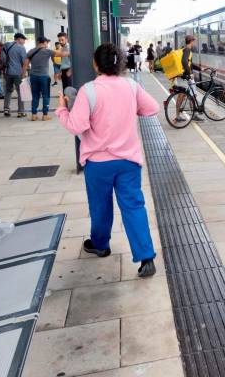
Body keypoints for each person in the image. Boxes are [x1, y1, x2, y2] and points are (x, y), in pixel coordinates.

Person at [56, 43, 161, 277]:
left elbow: (77, 126)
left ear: (95, 64)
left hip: (98, 163)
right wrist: (133, 110)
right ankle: (146, 257)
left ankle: (101, 245)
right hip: (128, 162)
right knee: (134, 206)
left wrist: (62, 109)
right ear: (121, 63)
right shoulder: (131, 86)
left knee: (100, 206)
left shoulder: (88, 90)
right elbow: (152, 108)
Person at [25, 36, 56, 121]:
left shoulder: (31, 51)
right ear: (44, 42)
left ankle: (34, 115)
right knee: (46, 96)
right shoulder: (47, 51)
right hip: (44, 77)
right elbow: (61, 54)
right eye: (47, 43)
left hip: (33, 76)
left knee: (35, 96)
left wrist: (23, 74)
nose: (47, 44)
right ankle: (45, 115)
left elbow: (25, 64)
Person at [173, 35, 203, 122]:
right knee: (182, 96)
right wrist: (189, 73)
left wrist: (200, 69)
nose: (194, 43)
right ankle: (178, 116)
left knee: (191, 95)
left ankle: (192, 114)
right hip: (186, 77)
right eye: (194, 41)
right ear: (191, 41)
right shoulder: (187, 50)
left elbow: (189, 63)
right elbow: (184, 61)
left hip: (183, 76)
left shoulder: (184, 49)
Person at [1, 33, 28, 117]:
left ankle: (6, 109)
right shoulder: (21, 48)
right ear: (19, 39)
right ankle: (21, 111)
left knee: (8, 91)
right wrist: (25, 72)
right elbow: (24, 62)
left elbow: (2, 59)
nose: (24, 42)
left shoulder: (5, 46)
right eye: (23, 40)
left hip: (7, 72)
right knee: (20, 92)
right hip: (18, 73)